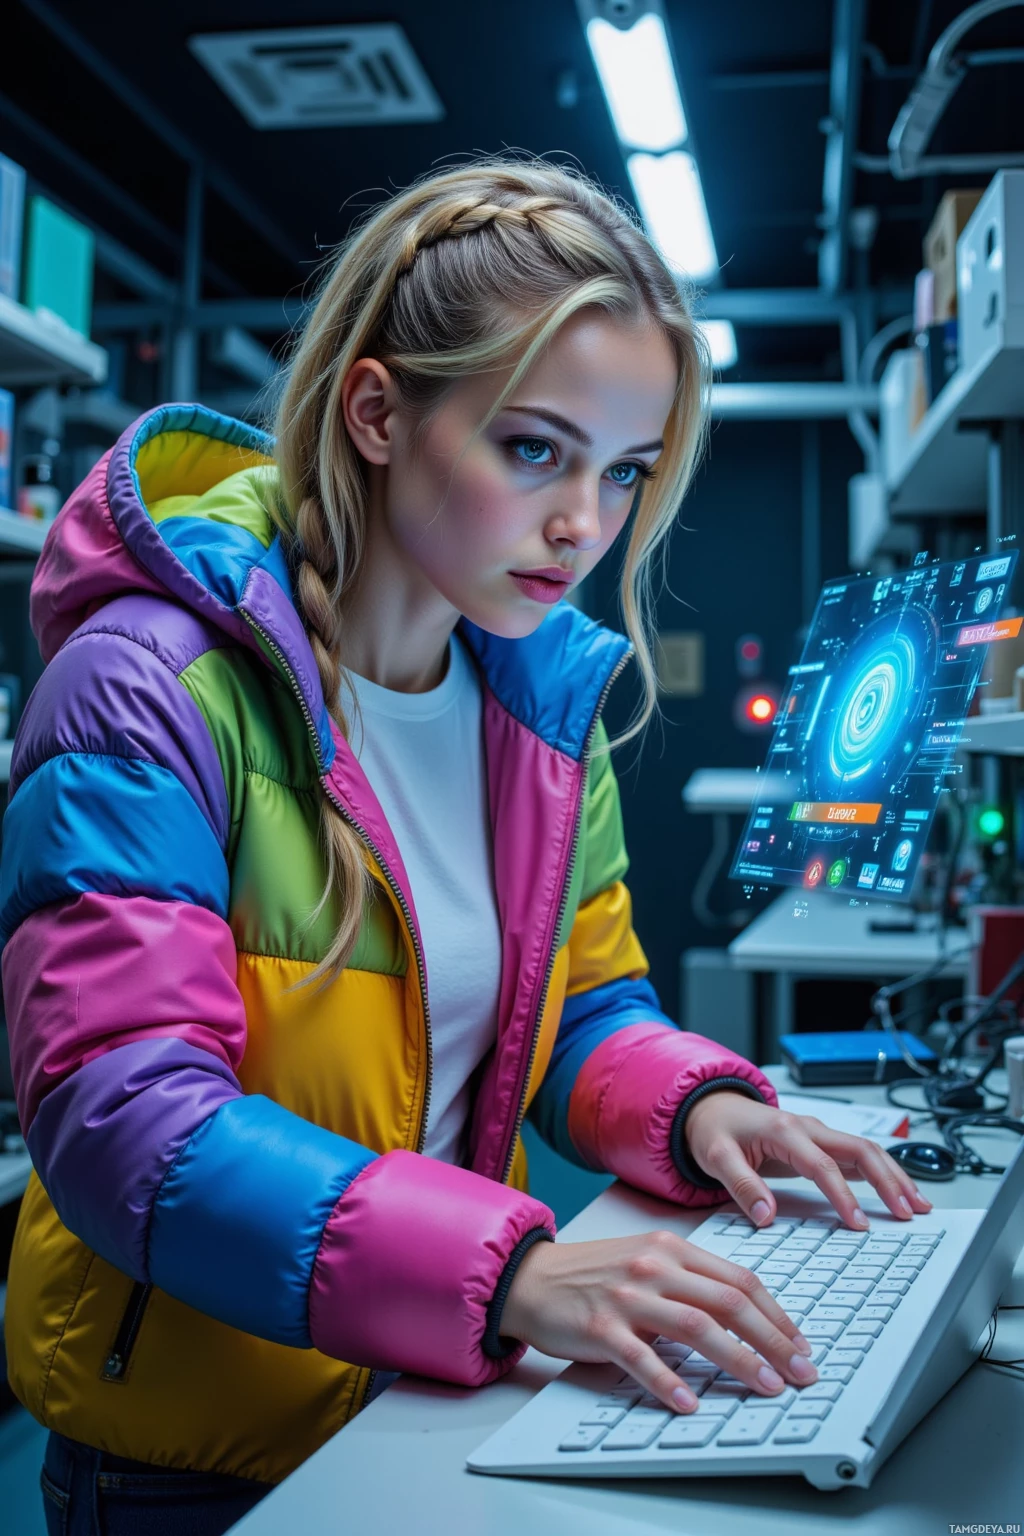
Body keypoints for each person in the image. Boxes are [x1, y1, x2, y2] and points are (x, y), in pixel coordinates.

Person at [0, 156, 930, 1536]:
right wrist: (505, 1277)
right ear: (379, 412)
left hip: (432, 1396)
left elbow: (582, 1016)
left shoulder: (538, 706)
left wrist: (700, 1108)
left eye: (623, 473)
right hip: (192, 1464)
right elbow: (122, 1118)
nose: (583, 525)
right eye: (534, 448)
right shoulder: (146, 687)